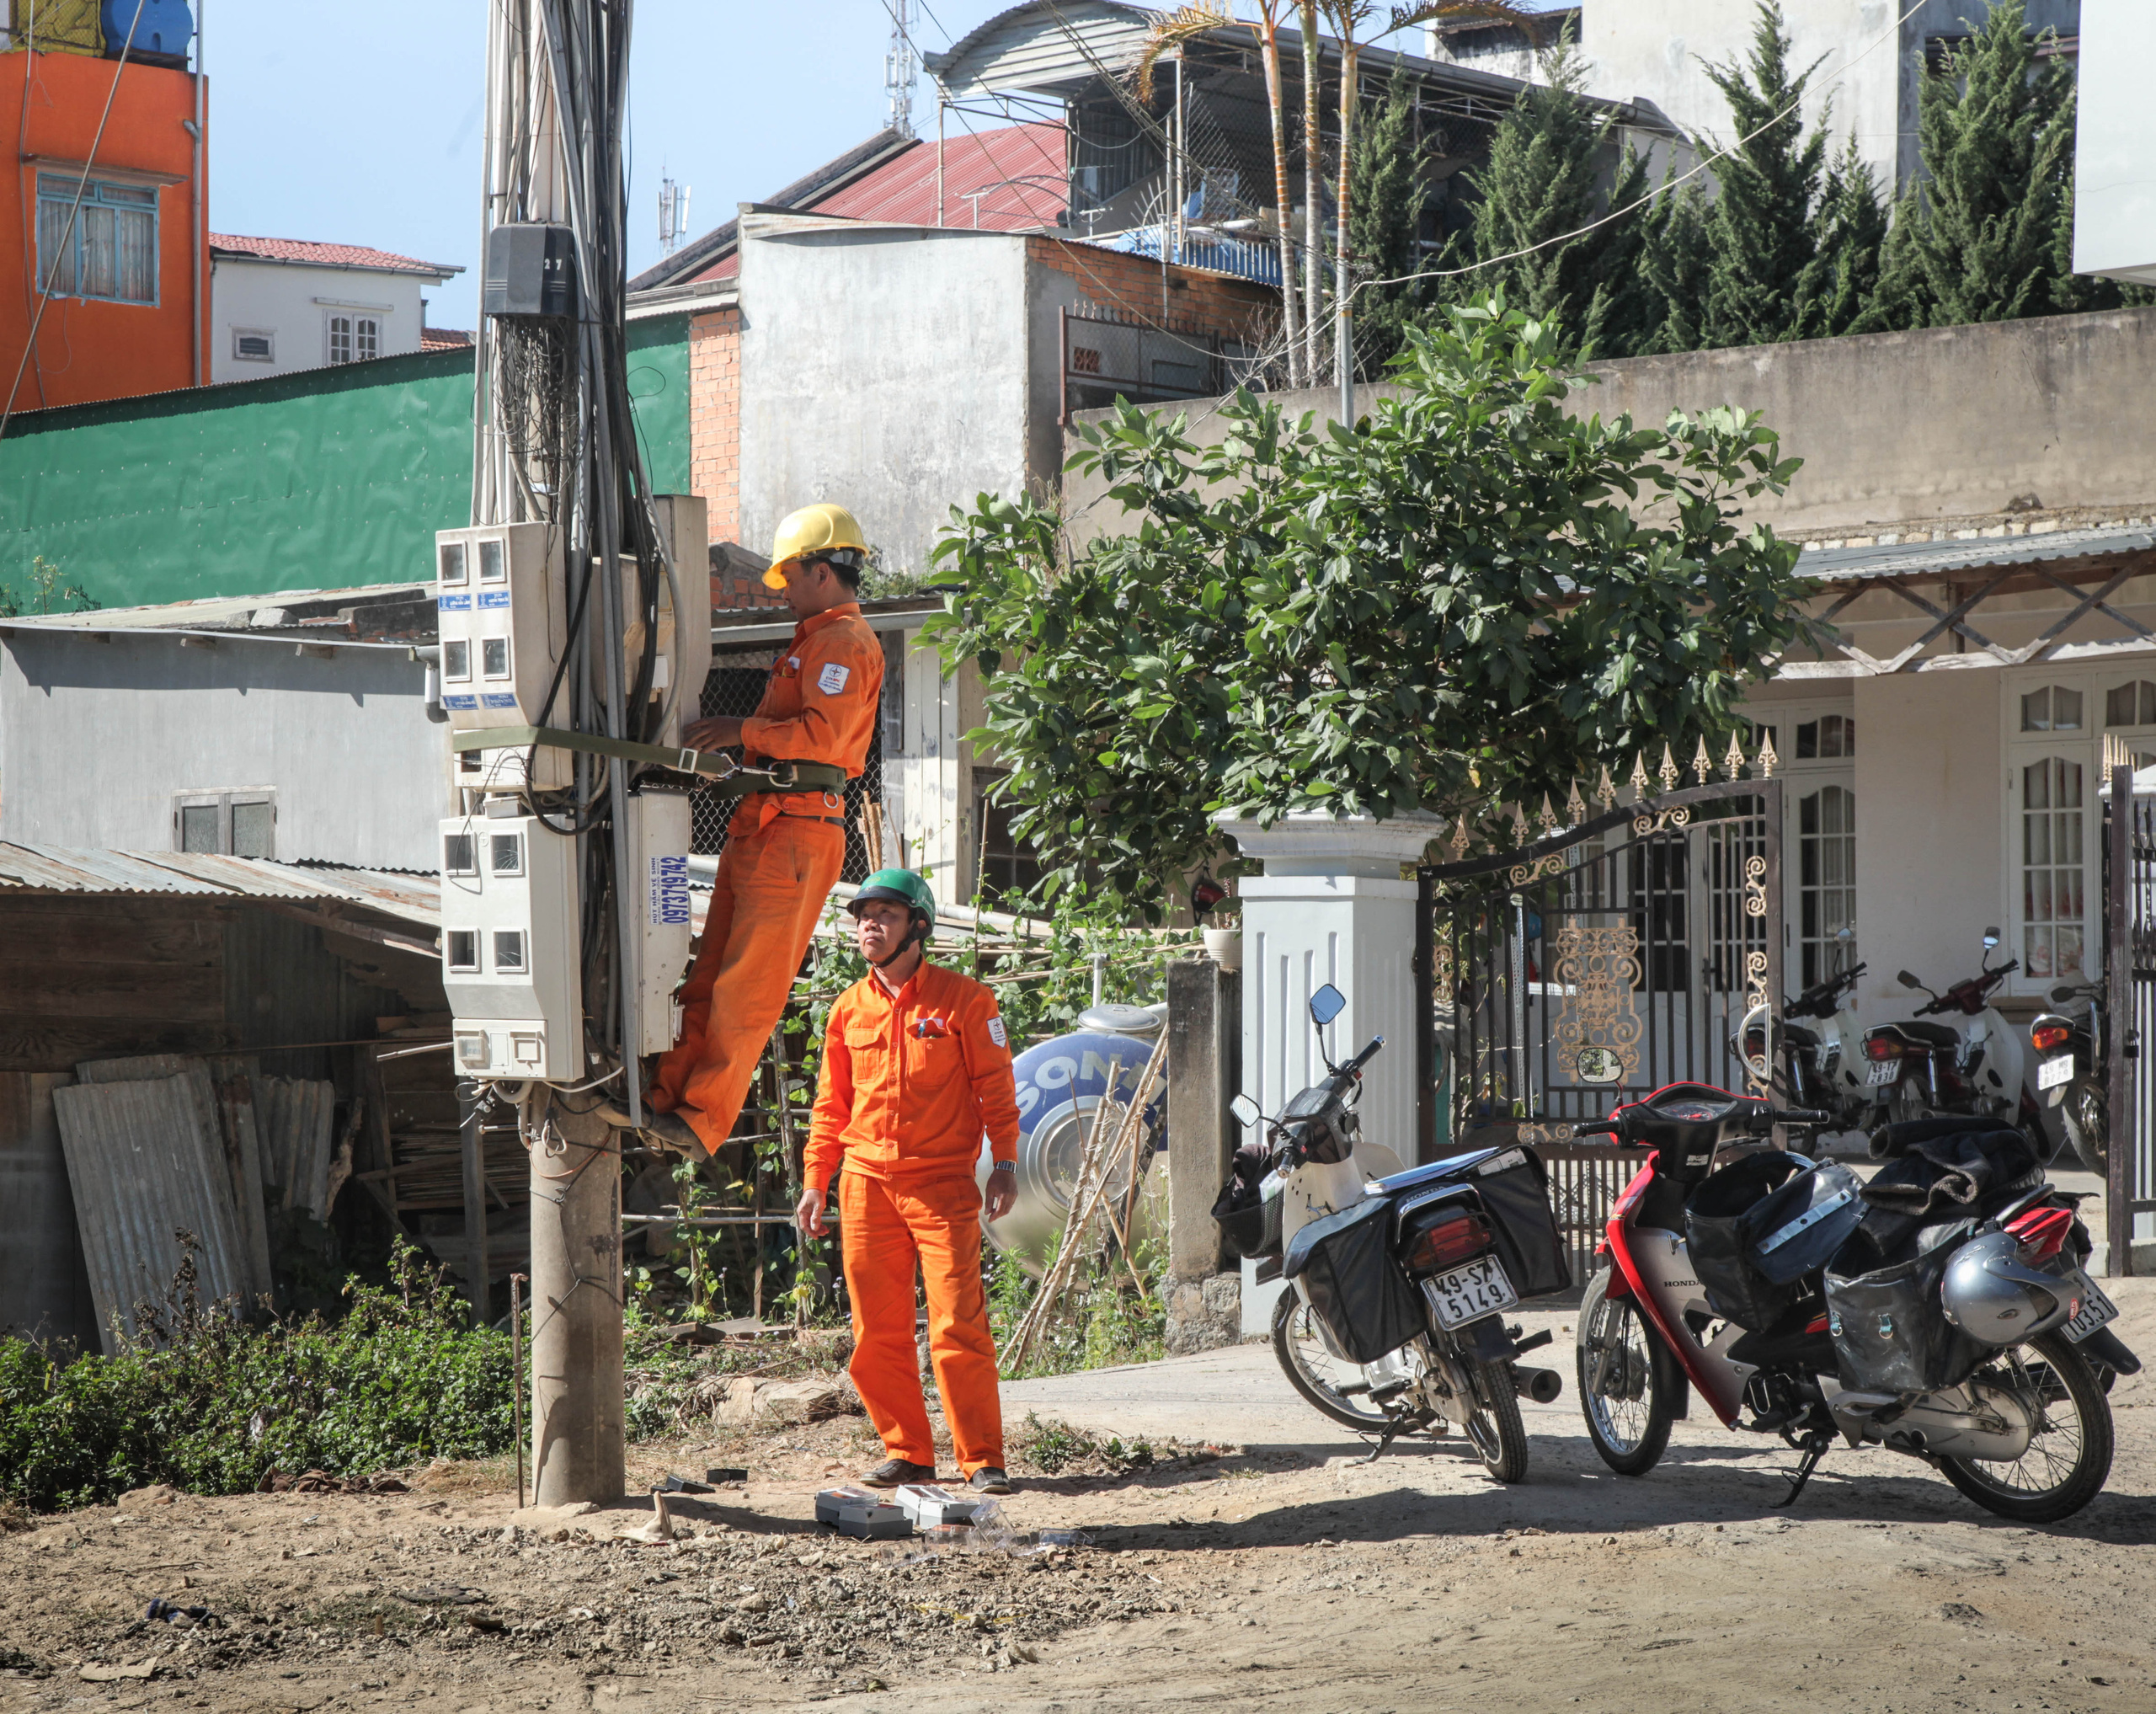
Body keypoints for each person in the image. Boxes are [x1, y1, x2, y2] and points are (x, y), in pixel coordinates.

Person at [631, 504, 885, 1155]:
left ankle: (699, 1118)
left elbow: (824, 742)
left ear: (823, 572)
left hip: (798, 833)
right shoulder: (814, 641)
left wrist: (741, 730)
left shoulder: (845, 645)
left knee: (745, 990)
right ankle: (665, 1096)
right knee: (709, 974)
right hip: (766, 825)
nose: (785, 591)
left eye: (791, 577)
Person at [797, 869, 1021, 1492]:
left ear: (918, 926)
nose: (870, 924)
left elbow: (996, 1091)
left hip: (942, 1184)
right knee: (876, 1332)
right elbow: (829, 1105)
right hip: (865, 1184)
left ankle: (982, 1458)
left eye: (886, 914)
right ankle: (908, 1451)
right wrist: (817, 1177)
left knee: (957, 1324)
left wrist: (1004, 1161)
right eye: (864, 914)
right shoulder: (847, 1008)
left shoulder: (966, 1001)